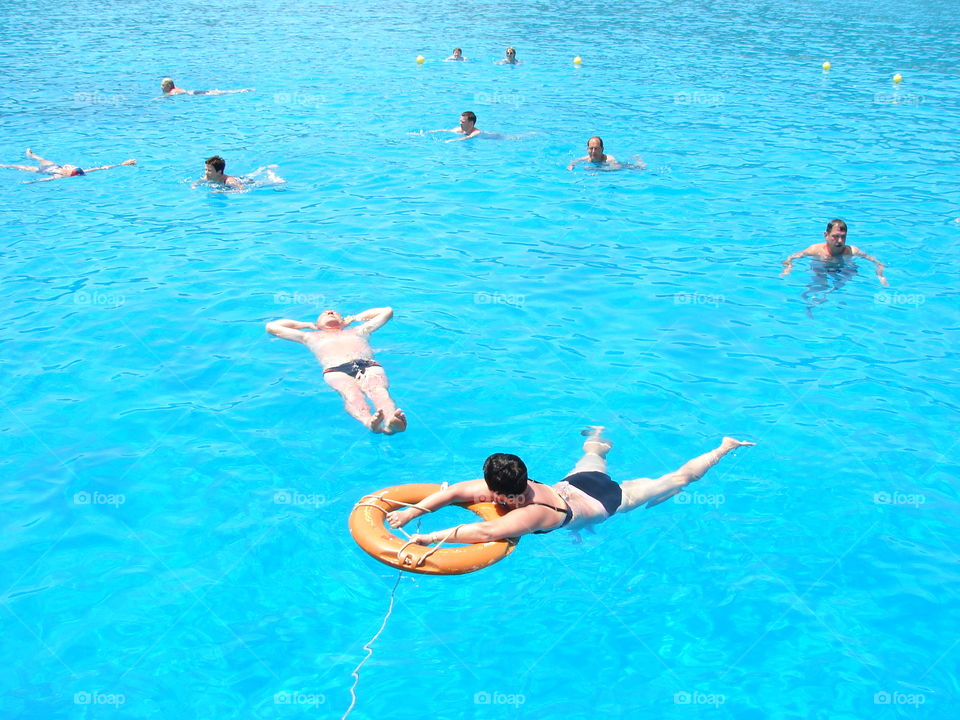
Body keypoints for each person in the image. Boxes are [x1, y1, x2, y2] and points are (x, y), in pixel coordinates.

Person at [387, 428, 753, 544]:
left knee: (676, 480)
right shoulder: (516, 481)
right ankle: (597, 436)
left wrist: (427, 537)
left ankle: (724, 446)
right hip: (576, 483)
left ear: (496, 490)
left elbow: (484, 530)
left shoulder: (531, 514)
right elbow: (451, 493)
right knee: (593, 458)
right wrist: (413, 510)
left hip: (608, 499)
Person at [266, 307, 407, 434]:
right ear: (317, 324)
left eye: (335, 313)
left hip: (367, 365)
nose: (330, 312)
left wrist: (354, 318)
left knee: (379, 391)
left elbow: (387, 311)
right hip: (335, 370)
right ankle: (368, 422)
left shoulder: (359, 330)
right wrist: (308, 325)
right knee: (352, 395)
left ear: (343, 321)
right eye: (325, 313)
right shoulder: (309, 336)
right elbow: (272, 327)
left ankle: (390, 421)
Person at [780, 219, 888, 286]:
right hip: (821, 268)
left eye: (843, 237)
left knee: (847, 276)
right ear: (826, 235)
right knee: (818, 286)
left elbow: (878, 263)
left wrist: (880, 276)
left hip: (843, 269)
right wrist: (788, 268)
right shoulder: (815, 250)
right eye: (836, 236)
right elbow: (790, 258)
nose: (840, 241)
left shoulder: (851, 251)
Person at [1, 149, 135, 182]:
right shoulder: (81, 171)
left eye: (69, 166)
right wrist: (122, 164)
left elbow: (46, 179)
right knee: (42, 158)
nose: (69, 165)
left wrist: (31, 182)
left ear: (68, 172)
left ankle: (2, 165)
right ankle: (32, 155)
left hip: (43, 171)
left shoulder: (59, 176)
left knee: (19, 167)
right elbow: (102, 168)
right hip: (52, 165)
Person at [160, 77, 254, 97]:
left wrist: (156, 99)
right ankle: (240, 90)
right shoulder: (176, 88)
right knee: (221, 92)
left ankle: (241, 90)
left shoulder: (173, 92)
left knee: (218, 93)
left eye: (162, 85)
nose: (161, 87)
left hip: (195, 94)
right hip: (194, 92)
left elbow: (165, 96)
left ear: (168, 86)